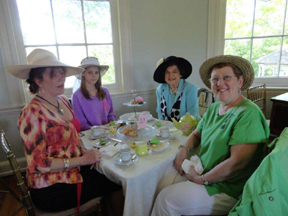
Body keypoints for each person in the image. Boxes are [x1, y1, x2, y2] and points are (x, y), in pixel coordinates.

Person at [6, 49, 123, 215]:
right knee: (115, 183)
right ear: (38, 80)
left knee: (112, 175)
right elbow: (38, 164)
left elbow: (74, 136)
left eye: (62, 73)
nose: (62, 78)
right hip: (51, 187)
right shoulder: (32, 113)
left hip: (73, 170)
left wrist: (83, 151)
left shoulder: (61, 100)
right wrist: (81, 160)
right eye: (54, 74)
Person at [151, 55, 270, 216]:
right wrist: (183, 148)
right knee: (161, 184)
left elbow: (236, 164)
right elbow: (197, 133)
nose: (220, 83)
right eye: (215, 79)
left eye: (226, 77)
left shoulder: (248, 114)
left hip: (226, 187)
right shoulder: (215, 108)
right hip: (203, 171)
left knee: (166, 200)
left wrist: (203, 180)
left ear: (240, 81)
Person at [72, 57, 116, 131]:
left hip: (108, 130)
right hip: (90, 133)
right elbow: (81, 121)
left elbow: (111, 113)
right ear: (83, 73)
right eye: (90, 72)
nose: (94, 76)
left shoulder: (105, 91)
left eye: (96, 72)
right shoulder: (77, 96)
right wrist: (97, 130)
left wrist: (111, 124)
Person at [153, 56, 200, 121]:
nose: (171, 75)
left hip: (190, 127)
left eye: (174, 71)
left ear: (180, 73)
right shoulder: (160, 89)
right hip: (168, 128)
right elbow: (160, 114)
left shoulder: (190, 88)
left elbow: (192, 115)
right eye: (167, 72)